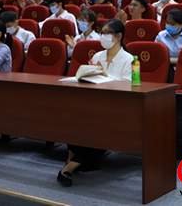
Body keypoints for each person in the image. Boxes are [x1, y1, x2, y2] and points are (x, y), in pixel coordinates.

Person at [57, 19, 133, 187]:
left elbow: (129, 87)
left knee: (98, 128)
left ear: (119, 36)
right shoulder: (98, 56)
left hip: (116, 107)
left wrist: (105, 76)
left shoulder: (129, 59)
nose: (102, 36)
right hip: (94, 104)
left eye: (107, 33)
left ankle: (69, 167)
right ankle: (75, 159)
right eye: (101, 33)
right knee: (74, 118)